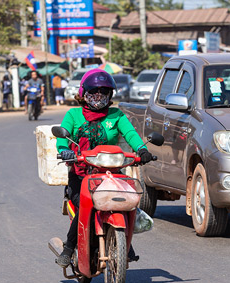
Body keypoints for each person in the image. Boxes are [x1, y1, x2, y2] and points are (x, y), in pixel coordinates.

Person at [55, 69, 155, 267]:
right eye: (94, 91)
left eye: (104, 91)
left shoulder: (116, 115)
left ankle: (124, 241)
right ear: (84, 93)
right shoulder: (74, 114)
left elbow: (131, 135)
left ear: (110, 95)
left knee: (127, 200)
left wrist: (142, 150)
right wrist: (64, 150)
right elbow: (61, 138)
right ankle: (68, 248)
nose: (99, 96)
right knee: (88, 204)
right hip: (81, 176)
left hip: (111, 175)